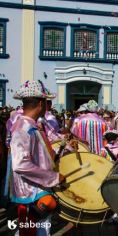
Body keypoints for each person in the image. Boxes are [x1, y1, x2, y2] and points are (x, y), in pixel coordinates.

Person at [10, 80, 65, 236]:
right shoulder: (23, 128)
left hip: (36, 189)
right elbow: (20, 164)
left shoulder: (30, 125)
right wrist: (53, 177)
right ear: (41, 103)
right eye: (47, 102)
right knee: (29, 232)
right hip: (29, 193)